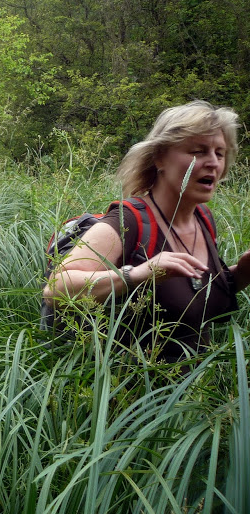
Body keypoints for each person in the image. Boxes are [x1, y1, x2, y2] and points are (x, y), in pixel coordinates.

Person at [43, 100, 250, 360]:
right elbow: (54, 290)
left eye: (219, 154)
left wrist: (242, 274)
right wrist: (139, 274)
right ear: (159, 158)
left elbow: (197, 297)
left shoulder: (203, 219)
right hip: (131, 394)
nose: (213, 163)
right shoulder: (128, 223)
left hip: (191, 393)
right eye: (198, 151)